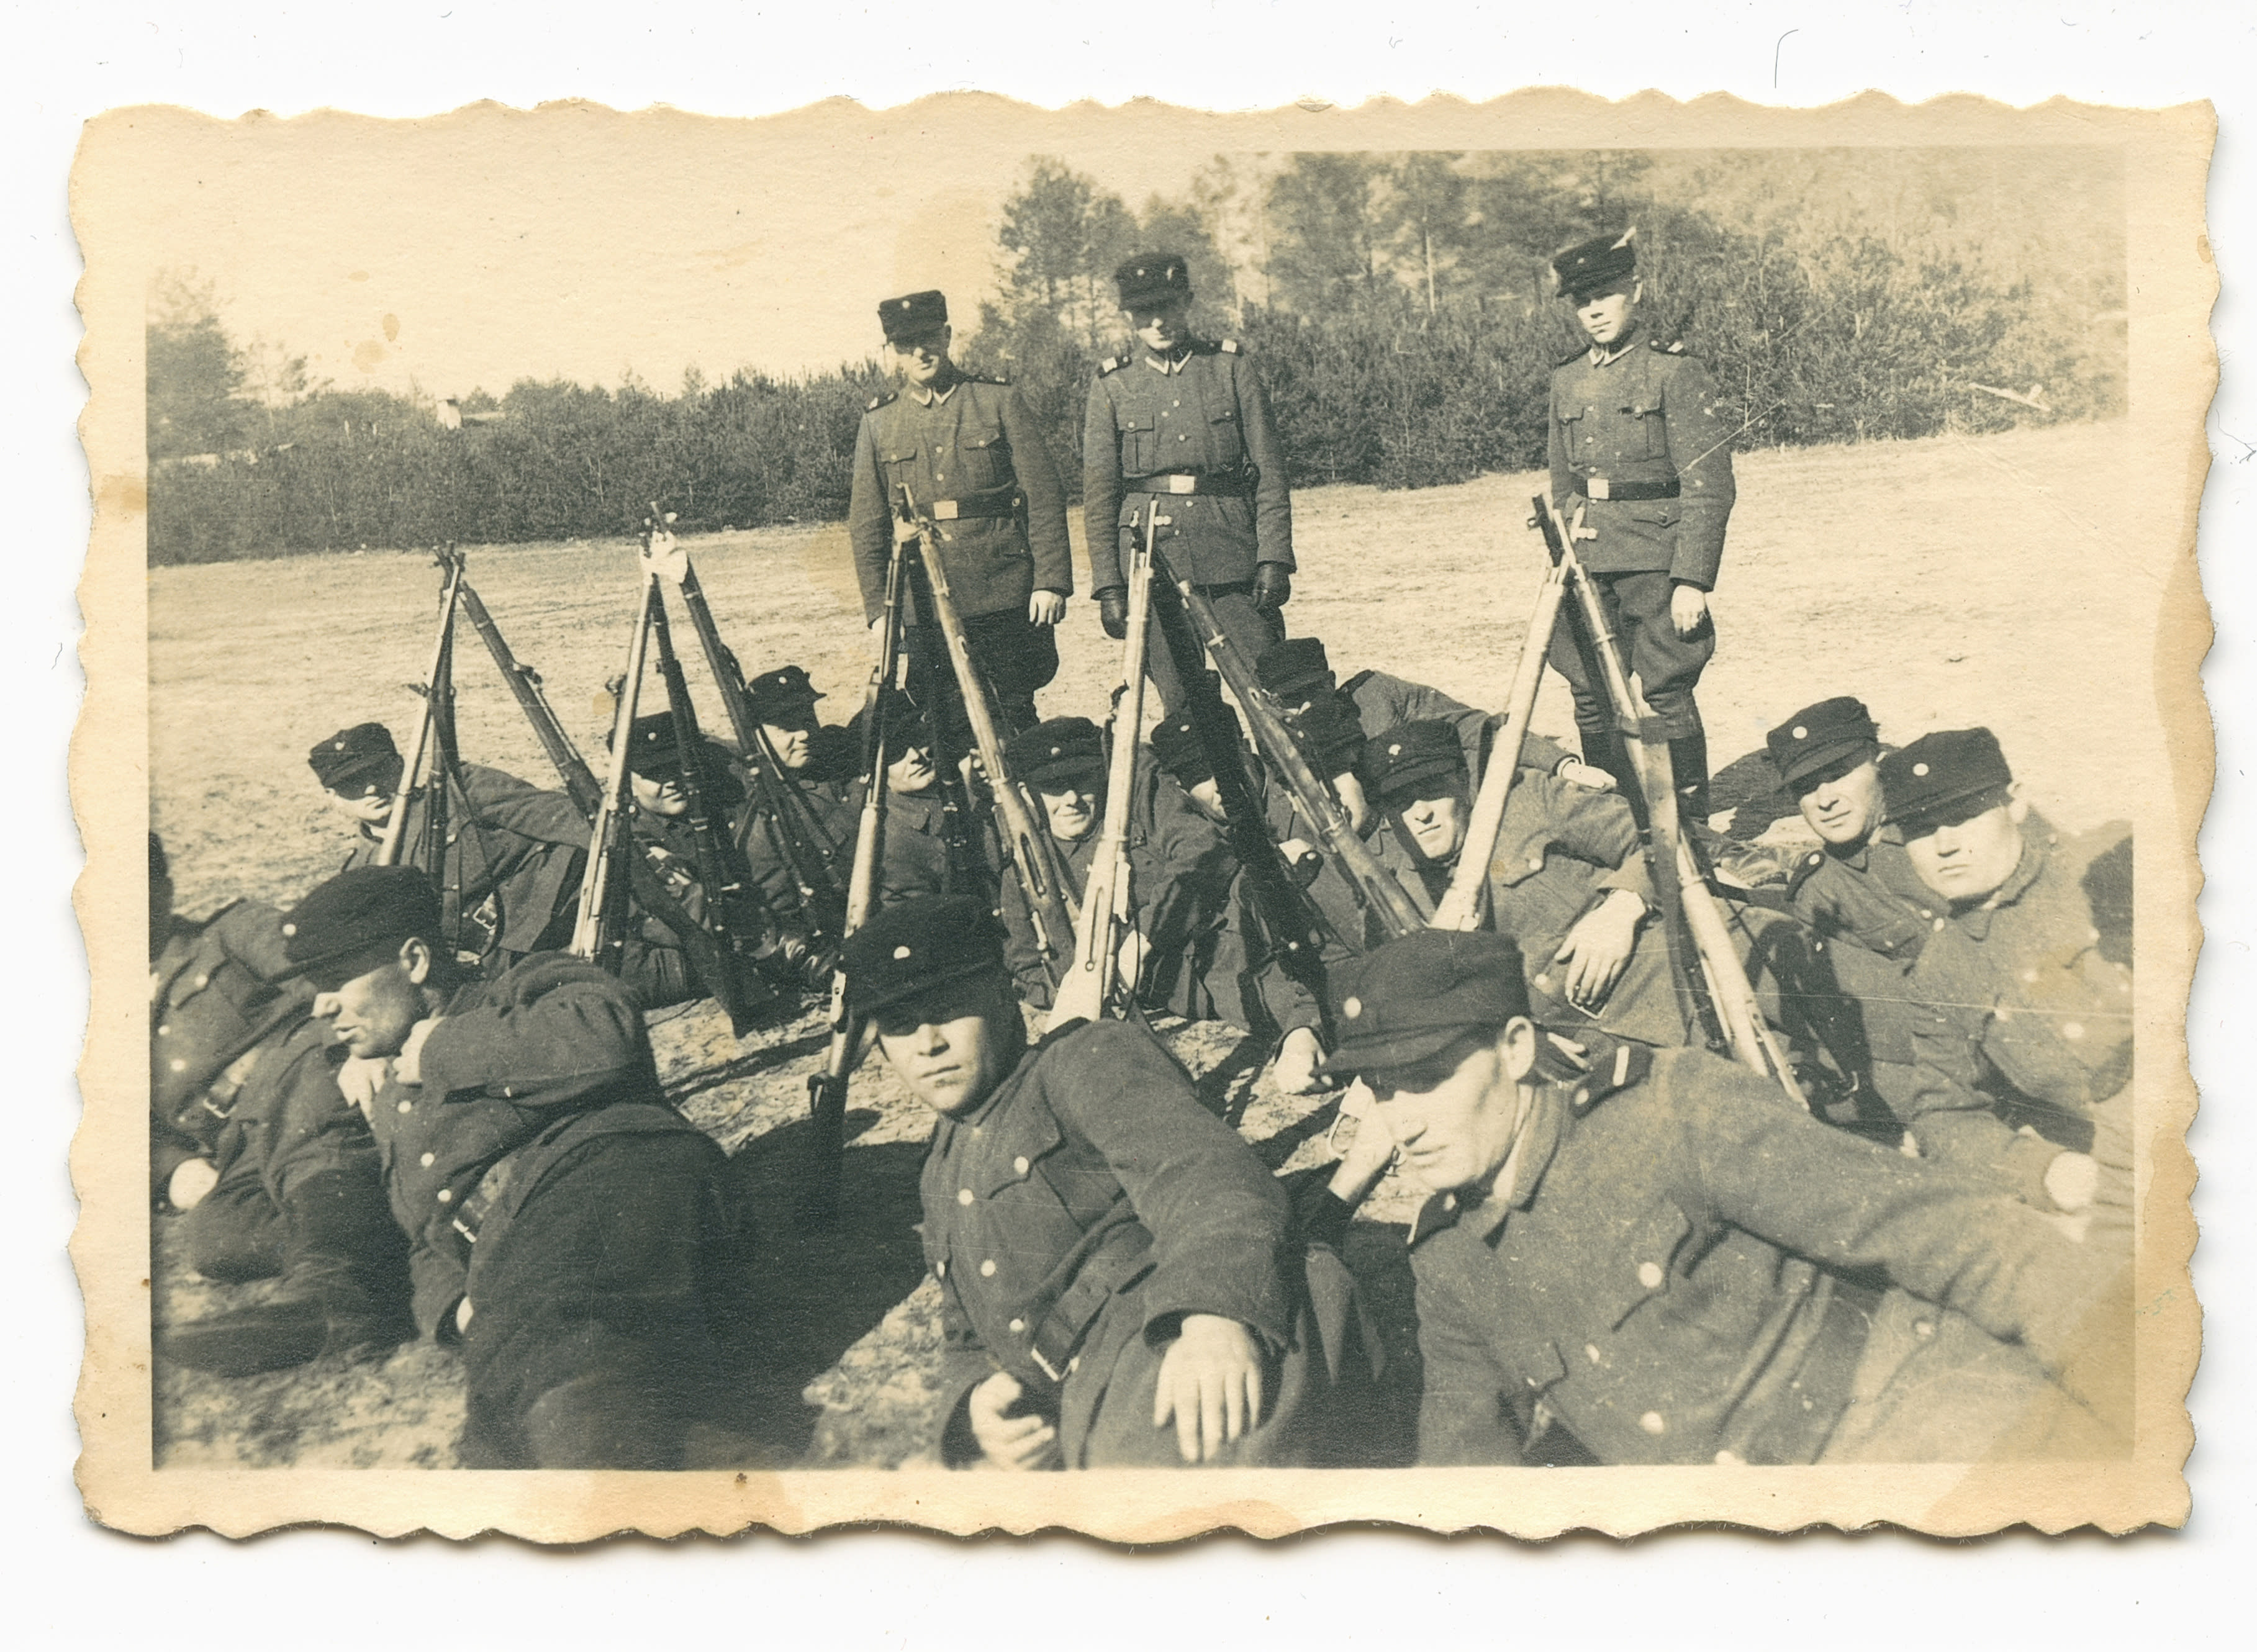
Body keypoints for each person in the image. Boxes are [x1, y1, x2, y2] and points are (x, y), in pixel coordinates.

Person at [1323, 929, 2127, 1466]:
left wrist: (2126, 1367)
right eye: (1379, 1090)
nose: (1400, 1122)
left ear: (1516, 1046)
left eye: (1426, 1079)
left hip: (1898, 1421)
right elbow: (1467, 1473)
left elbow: (1943, 1228)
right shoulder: (1448, 1259)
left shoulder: (1665, 1110)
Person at [846, 896, 1380, 1469]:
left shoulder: (1082, 1062)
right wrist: (976, 1400)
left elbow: (1204, 1174)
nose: (928, 1043)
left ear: (1003, 998)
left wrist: (1213, 1318)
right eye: (900, 1025)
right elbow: (963, 1329)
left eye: (949, 1009)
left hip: (1164, 1344)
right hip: (1077, 1412)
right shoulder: (940, 1168)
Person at [278, 864, 754, 1469]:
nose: (321, 1006)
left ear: (416, 961)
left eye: (335, 980)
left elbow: (608, 1034)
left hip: (607, 1181)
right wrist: (454, 1309)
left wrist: (444, 1047)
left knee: (555, 1400)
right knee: (509, 1435)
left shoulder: (525, 983)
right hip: (523, 1268)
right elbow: (423, 1234)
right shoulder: (390, 1093)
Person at [149, 834, 412, 1375]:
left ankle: (329, 1308)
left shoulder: (229, 932)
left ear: (165, 888)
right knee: (214, 1239)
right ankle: (385, 1264)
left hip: (303, 1070)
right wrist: (171, 1169)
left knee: (311, 1151)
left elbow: (332, 970)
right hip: (238, 1140)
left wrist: (358, 1047)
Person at [1883, 729, 2133, 1217]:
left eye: (1960, 816)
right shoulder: (1940, 971)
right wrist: (2045, 1170)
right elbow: (1942, 1113)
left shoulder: (2107, 868)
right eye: (1917, 827)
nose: (1943, 845)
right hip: (2118, 1177)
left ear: (2015, 803)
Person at [1545, 228, 1737, 821]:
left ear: (1635, 289)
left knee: (1666, 692)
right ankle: (1621, 823)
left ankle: (1694, 829)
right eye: (1582, 301)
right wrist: (1563, 559)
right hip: (1586, 559)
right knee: (1588, 693)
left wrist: (1692, 579)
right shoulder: (1567, 378)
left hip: (1656, 557)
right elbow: (1560, 483)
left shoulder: (1675, 374)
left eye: (1604, 294)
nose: (1595, 310)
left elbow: (1709, 484)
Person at [1362, 719, 1683, 1049]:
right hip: (1571, 1052)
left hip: (1661, 988)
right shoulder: (1392, 894)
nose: (1420, 814)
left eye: (1431, 791)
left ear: (1462, 783)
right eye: (1401, 802)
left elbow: (1670, 838)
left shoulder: (1530, 800)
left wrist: (1625, 905)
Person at [848, 289, 1072, 735]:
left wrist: (1050, 582)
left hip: (1003, 591)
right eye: (905, 343)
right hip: (922, 598)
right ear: (893, 350)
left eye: (929, 337)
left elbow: (1043, 497)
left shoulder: (996, 401)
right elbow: (867, 525)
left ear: (947, 335)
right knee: (940, 719)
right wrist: (879, 610)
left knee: (1014, 712)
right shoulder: (879, 423)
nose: (920, 351)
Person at [1083, 252, 1294, 711]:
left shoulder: (1229, 367)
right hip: (1149, 562)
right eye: (1144, 312)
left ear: (1188, 302)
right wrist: (1109, 586)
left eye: (1168, 307)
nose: (1157, 321)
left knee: (1269, 685)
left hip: (1230, 555)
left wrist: (1274, 557)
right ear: (1130, 317)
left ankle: (1285, 782)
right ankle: (1216, 784)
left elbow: (1270, 473)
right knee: (1181, 701)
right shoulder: (1112, 384)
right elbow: (1099, 496)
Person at [1741, 697, 1945, 1123]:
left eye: (1837, 775)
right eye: (1805, 787)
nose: (1824, 799)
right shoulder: (1820, 894)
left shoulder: (1946, 823)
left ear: (1880, 761)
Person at [309, 721, 585, 972]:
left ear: (400, 765)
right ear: (332, 796)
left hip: (563, 920)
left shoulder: (460, 791)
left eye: (379, 772)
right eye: (353, 783)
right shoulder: (360, 872)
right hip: (491, 968)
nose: (371, 789)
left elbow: (567, 819)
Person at [1254, 636, 1603, 834]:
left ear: (1331, 682)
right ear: (1271, 702)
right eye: (1290, 701)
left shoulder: (1375, 699)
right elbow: (1280, 813)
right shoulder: (1275, 739)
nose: (1304, 708)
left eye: (1312, 693)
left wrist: (1561, 765)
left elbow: (1474, 727)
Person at [611, 709, 795, 1010]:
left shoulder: (720, 794)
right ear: (627, 781)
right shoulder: (629, 837)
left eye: (676, 767)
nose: (671, 781)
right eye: (653, 775)